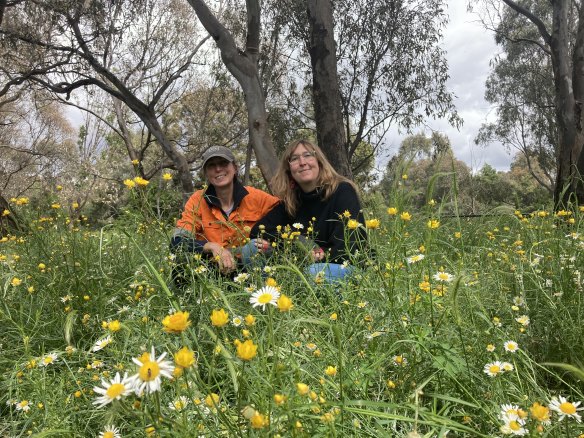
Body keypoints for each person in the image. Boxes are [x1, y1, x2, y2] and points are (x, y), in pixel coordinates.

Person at [246, 139, 367, 283]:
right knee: (251, 248)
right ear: (289, 169)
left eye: (308, 155)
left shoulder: (342, 191)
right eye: (295, 159)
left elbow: (349, 249)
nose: (302, 162)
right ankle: (274, 297)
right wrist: (299, 244)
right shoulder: (292, 202)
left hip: (346, 268)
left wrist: (319, 254)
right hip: (307, 269)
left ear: (319, 161)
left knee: (312, 273)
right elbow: (257, 231)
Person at [171, 145, 279, 284]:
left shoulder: (256, 197)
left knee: (253, 248)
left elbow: (287, 214)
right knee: (179, 265)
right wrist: (212, 246)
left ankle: (264, 296)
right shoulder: (197, 200)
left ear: (235, 167)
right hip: (214, 270)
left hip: (248, 269)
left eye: (223, 163)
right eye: (211, 165)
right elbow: (178, 241)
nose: (218, 169)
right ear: (206, 173)